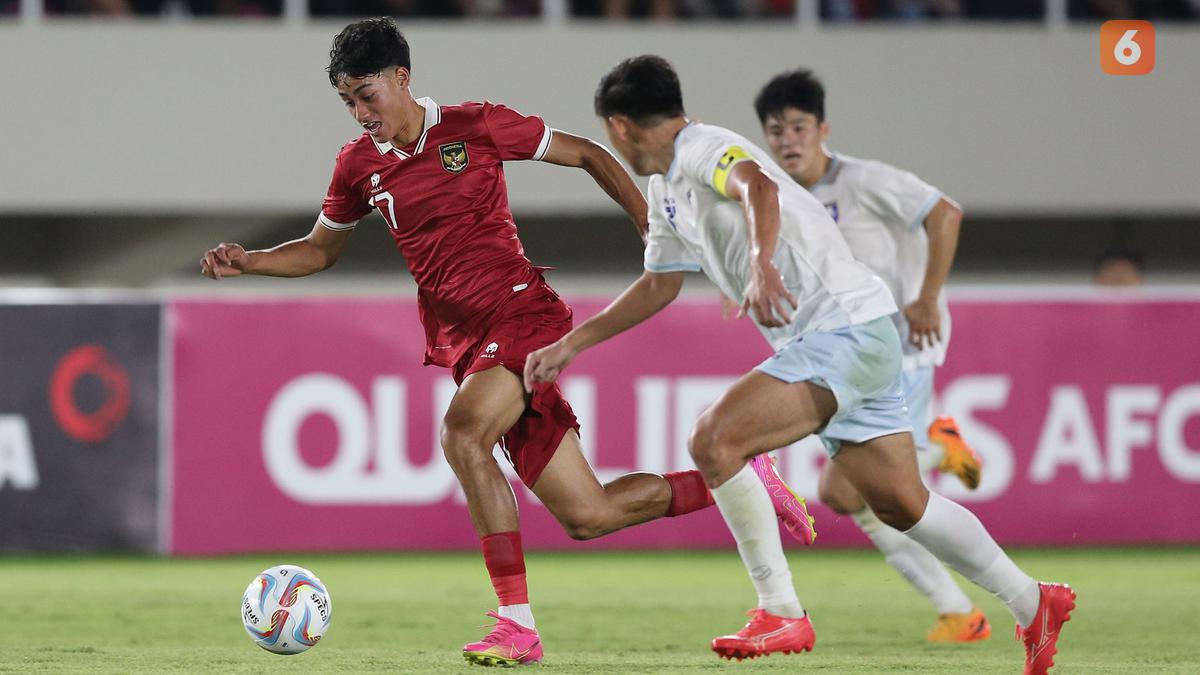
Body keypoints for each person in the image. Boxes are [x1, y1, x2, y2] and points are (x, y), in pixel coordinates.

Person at [198, 19, 813, 668]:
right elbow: (320, 251)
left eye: (366, 94)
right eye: (347, 100)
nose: (360, 112)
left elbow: (591, 154)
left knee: (462, 434)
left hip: (523, 316)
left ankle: (515, 624)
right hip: (466, 346)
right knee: (590, 514)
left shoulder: (476, 125)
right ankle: (735, 481)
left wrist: (649, 223)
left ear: (403, 78)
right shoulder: (358, 165)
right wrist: (254, 260)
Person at [526, 55, 1074, 673]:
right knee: (899, 504)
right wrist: (573, 344)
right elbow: (659, 284)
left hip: (845, 329)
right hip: (852, 336)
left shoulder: (703, 147)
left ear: (618, 126)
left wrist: (761, 263)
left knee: (715, 439)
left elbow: (756, 186)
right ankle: (1034, 602)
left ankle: (781, 610)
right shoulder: (664, 191)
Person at [753, 68, 990, 643]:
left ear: (823, 129)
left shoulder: (864, 181)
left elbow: (946, 213)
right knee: (847, 492)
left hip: (903, 349)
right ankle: (958, 607)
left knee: (845, 490)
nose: (788, 139)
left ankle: (961, 608)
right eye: (775, 129)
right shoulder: (778, 199)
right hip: (851, 356)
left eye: (798, 126)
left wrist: (926, 297)